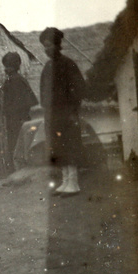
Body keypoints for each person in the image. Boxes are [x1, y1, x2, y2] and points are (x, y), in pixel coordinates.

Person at [39, 27, 86, 197]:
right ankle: (65, 181)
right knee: (59, 147)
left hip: (67, 114)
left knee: (70, 145)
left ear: (58, 45)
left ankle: (73, 183)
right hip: (53, 115)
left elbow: (78, 89)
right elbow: (43, 91)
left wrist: (72, 111)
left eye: (49, 45)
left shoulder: (68, 64)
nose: (47, 49)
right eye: (44, 46)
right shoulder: (47, 66)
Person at [1, 52, 38, 171]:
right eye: (6, 66)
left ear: (16, 66)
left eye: (9, 66)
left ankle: (19, 170)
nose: (6, 69)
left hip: (18, 118)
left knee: (17, 143)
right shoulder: (18, 79)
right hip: (18, 117)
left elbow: (22, 102)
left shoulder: (15, 80)